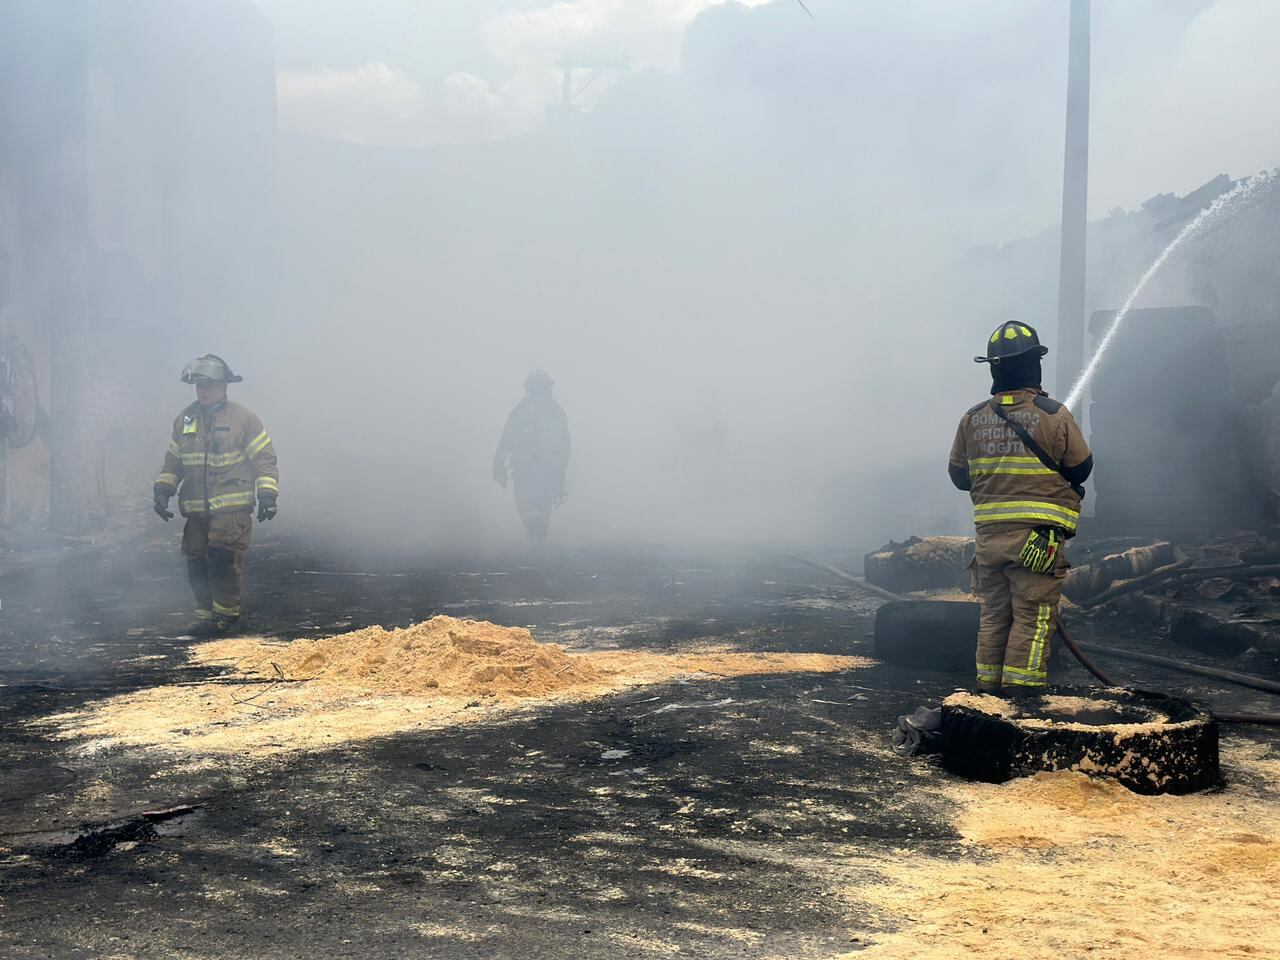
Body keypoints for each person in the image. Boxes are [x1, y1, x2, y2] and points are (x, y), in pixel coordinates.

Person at [947, 322, 1093, 697]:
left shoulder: (972, 418)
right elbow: (1081, 469)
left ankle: (986, 695)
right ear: (1034, 365)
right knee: (1033, 616)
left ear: (994, 369)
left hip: (989, 542)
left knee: (994, 615)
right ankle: (1020, 699)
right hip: (1038, 540)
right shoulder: (1054, 414)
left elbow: (959, 477)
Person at [153, 355, 279, 635]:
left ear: (224, 386)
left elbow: (264, 458)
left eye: (209, 385)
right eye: (199, 385)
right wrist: (163, 490)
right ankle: (204, 614)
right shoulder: (185, 420)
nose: (203, 391)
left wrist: (267, 494)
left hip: (231, 509)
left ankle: (225, 616)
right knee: (196, 561)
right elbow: (173, 462)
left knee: (223, 560)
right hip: (196, 510)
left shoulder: (243, 419)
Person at [492, 370, 570, 542]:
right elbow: (565, 447)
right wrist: (560, 477)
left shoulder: (522, 410)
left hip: (525, 470)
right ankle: (538, 542)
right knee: (542, 509)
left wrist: (498, 464)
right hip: (548, 471)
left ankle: (535, 540)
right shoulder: (556, 411)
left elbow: (507, 438)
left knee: (527, 506)